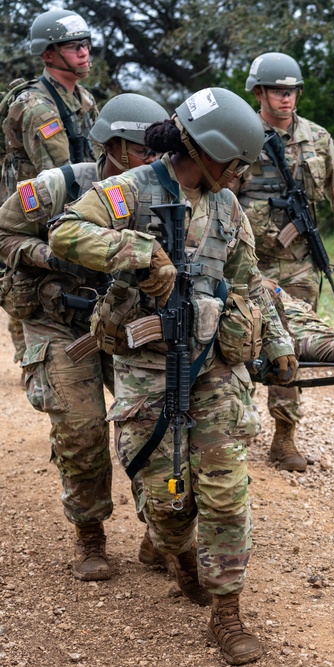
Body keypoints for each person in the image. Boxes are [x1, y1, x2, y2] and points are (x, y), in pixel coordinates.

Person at [49, 87, 296, 666]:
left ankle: (227, 612)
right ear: (208, 151)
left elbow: (251, 278)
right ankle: (179, 554)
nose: (240, 174)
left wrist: (280, 343)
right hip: (144, 369)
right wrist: (140, 253)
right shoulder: (129, 190)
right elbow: (64, 230)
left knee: (225, 491)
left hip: (213, 364)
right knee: (164, 502)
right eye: (235, 162)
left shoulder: (227, 206)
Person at [0, 93, 169, 582]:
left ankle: (161, 528)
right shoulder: (61, 185)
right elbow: (3, 233)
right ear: (113, 145)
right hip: (59, 322)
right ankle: (89, 531)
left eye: (159, 150)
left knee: (154, 421)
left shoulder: (159, 191)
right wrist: (49, 257)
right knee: (83, 429)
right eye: (141, 149)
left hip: (121, 322)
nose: (152, 160)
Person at [236, 52, 334, 471]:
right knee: (237, 342)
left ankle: (284, 438)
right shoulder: (241, 135)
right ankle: (231, 431)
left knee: (290, 351)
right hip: (247, 264)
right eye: (278, 91)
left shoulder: (318, 139)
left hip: (299, 266)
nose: (287, 99)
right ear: (259, 93)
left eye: (292, 91)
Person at [1, 9, 100, 364]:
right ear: (48, 54)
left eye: (86, 45)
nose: (84, 53)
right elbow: (59, 179)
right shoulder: (38, 107)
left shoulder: (83, 99)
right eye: (74, 47)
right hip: (40, 217)